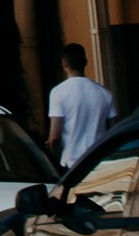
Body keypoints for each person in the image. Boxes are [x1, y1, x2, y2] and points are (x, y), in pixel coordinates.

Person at [48, 41, 116, 173]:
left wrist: (54, 158)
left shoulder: (58, 93)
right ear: (85, 62)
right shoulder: (104, 93)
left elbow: (54, 137)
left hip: (72, 163)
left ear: (64, 63)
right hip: (99, 161)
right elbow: (114, 129)